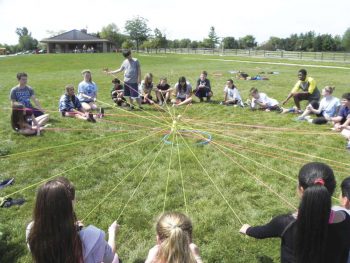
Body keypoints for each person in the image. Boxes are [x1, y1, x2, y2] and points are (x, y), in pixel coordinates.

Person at [239, 162, 350, 263]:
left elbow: (261, 232)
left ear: (301, 189)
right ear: (332, 189)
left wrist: (247, 229)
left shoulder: (285, 224)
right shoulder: (346, 219)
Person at [26, 178, 120, 263]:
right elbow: (110, 258)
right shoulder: (90, 236)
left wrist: (73, 227)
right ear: (70, 204)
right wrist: (112, 233)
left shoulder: (31, 231)